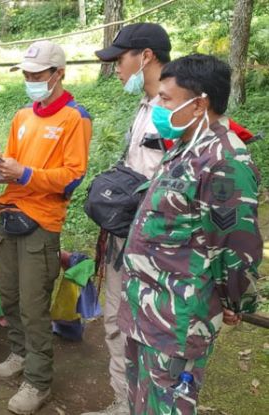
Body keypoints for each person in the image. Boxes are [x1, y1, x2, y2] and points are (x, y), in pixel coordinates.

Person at [119, 54, 261, 415]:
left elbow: (237, 249)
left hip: (178, 323)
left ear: (199, 103)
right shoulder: (186, 147)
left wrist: (235, 302)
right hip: (146, 313)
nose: (158, 106)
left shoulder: (225, 161)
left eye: (166, 99)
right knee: (141, 404)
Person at [0, 40, 91, 414]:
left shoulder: (75, 118)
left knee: (33, 305)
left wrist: (25, 173)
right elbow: (14, 165)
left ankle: (39, 380)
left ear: (58, 73)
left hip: (41, 223)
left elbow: (72, 178)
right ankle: (19, 352)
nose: (30, 81)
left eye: (37, 75)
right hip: (9, 214)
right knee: (10, 295)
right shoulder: (22, 117)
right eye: (27, 75)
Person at [83, 23, 171, 415]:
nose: (116, 68)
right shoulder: (145, 106)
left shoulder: (177, 111)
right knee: (117, 319)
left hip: (159, 246)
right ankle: (123, 402)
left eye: (120, 60)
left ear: (145, 56)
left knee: (153, 330)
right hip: (125, 236)